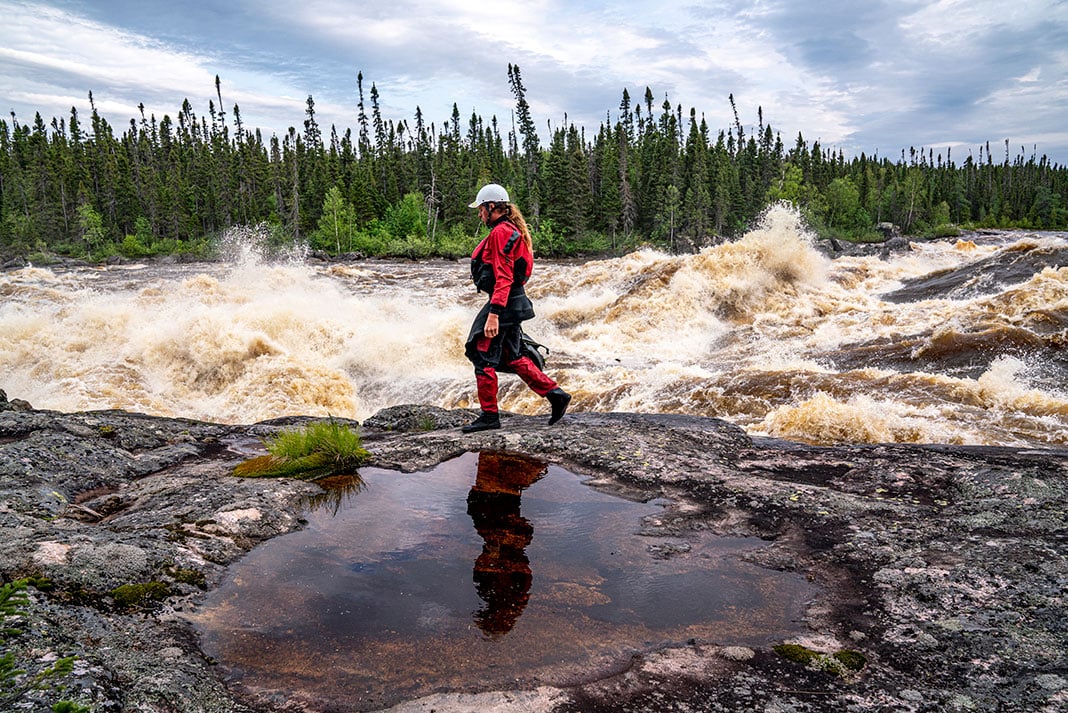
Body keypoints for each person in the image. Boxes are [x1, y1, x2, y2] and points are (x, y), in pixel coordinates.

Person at [462, 183, 571, 433]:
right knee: (513, 355)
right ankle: (556, 395)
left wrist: (494, 315)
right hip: (512, 301)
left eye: (481, 209)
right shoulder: (509, 230)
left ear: (492, 207)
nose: (479, 214)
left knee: (481, 353)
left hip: (505, 302)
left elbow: (504, 276)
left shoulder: (501, 232)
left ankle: (489, 415)